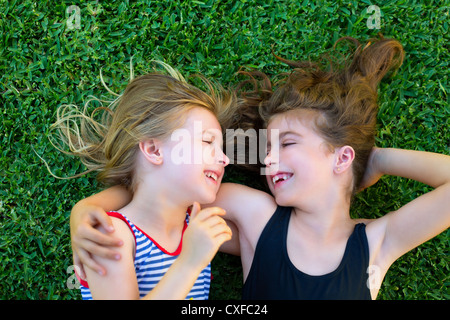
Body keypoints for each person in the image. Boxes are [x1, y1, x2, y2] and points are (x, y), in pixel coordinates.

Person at [69, 37, 450, 299]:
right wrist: (87, 210)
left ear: (342, 157)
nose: (268, 159)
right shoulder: (254, 216)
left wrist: (374, 158)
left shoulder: (375, 244)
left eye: (285, 144)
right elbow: (158, 190)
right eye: (267, 148)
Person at [51, 62, 239, 299]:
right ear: (154, 150)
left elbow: (268, 241)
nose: (224, 159)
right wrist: (190, 262)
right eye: (207, 142)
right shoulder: (111, 236)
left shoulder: (195, 227)